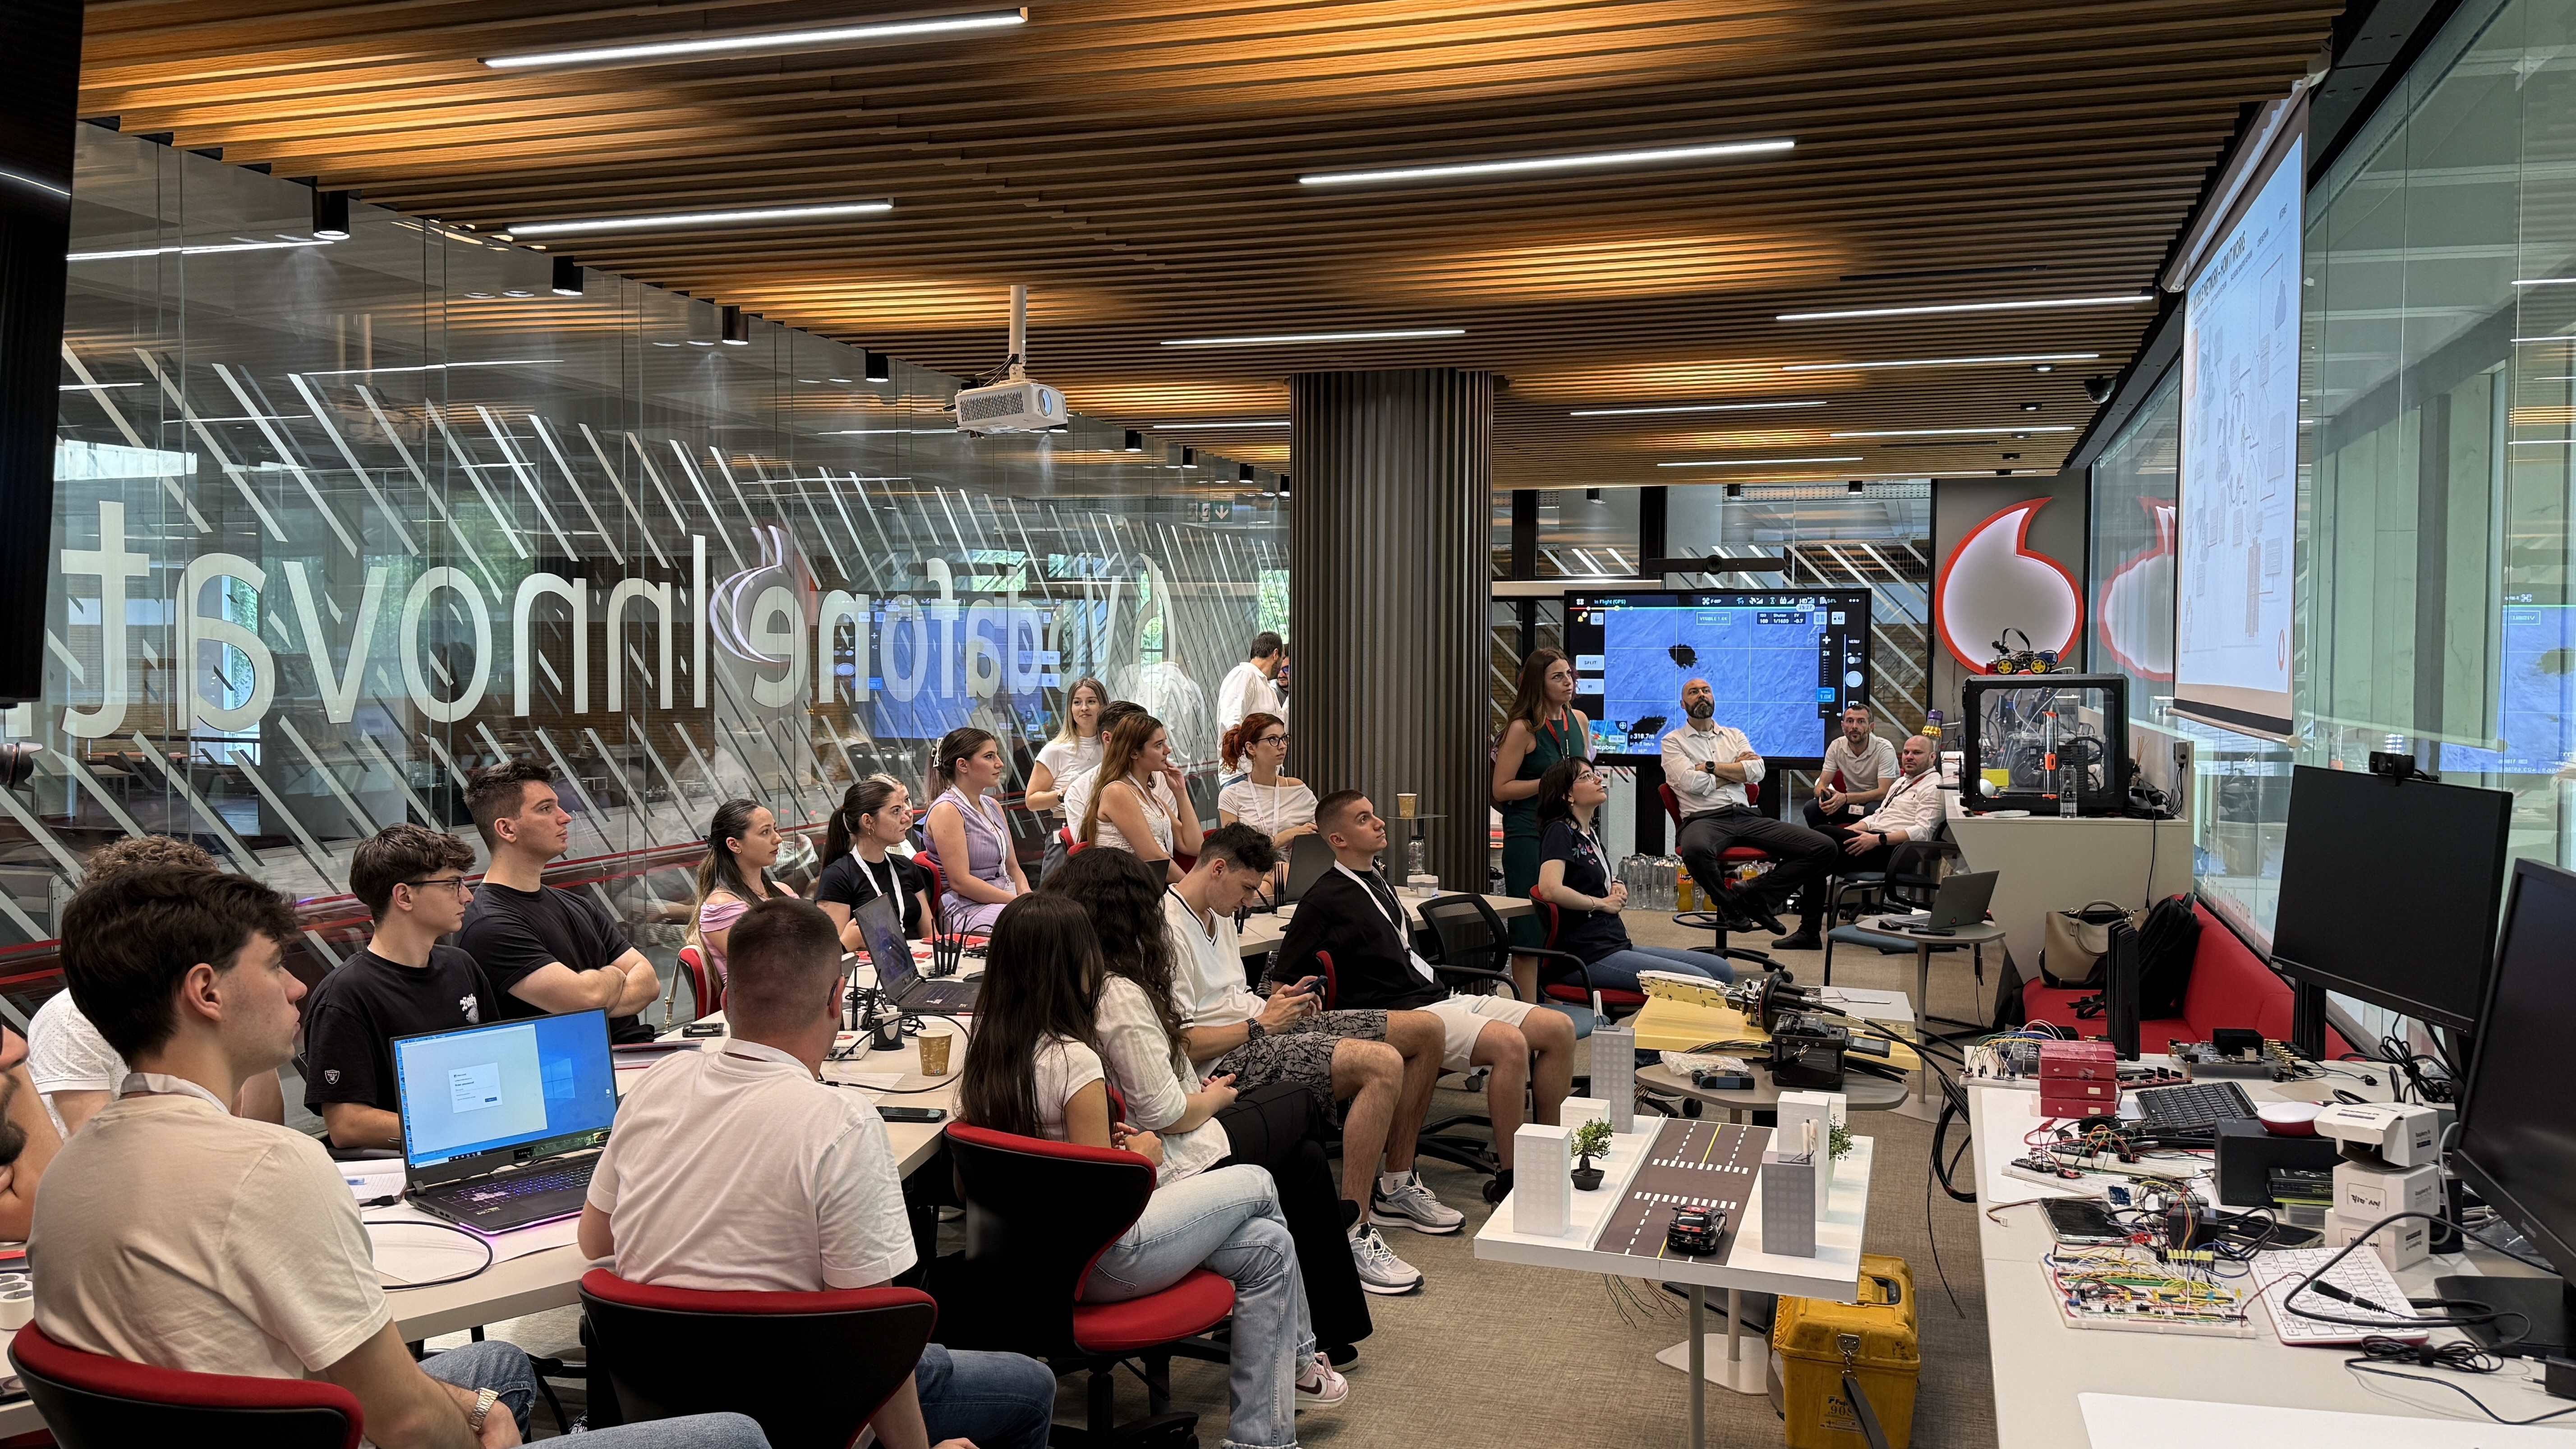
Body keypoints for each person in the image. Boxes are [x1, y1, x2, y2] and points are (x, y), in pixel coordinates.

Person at [37, 867, 765, 1449]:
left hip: (240, 1416)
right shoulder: (269, 1166)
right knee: (733, 1433)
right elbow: (408, 1421)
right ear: (206, 990)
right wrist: (475, 1425)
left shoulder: (71, 1168)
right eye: (274, 964)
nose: (297, 985)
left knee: (500, 1367)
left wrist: (474, 1406)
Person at [579, 898, 1053, 1449]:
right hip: (802, 1398)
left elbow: (596, 1241)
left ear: (727, 1001)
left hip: (669, 1404)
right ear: (836, 999)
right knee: (1031, 1387)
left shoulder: (657, 1085)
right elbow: (870, 1335)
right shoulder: (843, 1123)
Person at [957, 894, 1348, 1449]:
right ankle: (1303, 1363)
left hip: (1021, 1258)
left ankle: (1262, 1439)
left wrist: (1098, 1151)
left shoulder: (984, 1055)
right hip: (1100, 1261)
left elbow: (970, 1181)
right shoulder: (1074, 1062)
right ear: (1073, 966)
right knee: (1261, 1183)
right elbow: (1103, 1202)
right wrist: (1143, 1155)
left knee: (1269, 1246)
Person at [1046, 846, 1392, 1330]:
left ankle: (1331, 1327)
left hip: (1167, 1124)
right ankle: (1335, 1290)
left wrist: (1203, 1087)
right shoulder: (1119, 991)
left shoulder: (1076, 980)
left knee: (1306, 1157)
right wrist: (1213, 1099)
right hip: (1167, 1148)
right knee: (1298, 1106)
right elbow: (1166, 1112)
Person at [1162, 827, 1456, 1288]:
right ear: (1217, 869)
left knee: (1427, 1030)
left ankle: (1397, 1184)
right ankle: (1353, 1231)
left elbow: (1233, 999)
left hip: (1257, 1027)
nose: (1248, 902)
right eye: (1246, 889)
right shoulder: (1167, 930)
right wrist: (1262, 1023)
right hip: (1222, 1061)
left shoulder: (1217, 913)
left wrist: (1279, 1004)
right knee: (1381, 1064)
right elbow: (1179, 1044)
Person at [1273, 792, 1578, 1207]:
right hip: (1405, 1014)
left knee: (1559, 1028)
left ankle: (1549, 1154)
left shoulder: (1378, 878)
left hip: (1441, 997)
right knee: (1510, 1044)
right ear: (1337, 839)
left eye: (1374, 814)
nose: (1379, 822)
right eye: (1364, 819)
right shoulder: (1322, 898)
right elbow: (1283, 980)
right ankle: (1512, 1180)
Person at [29, 834, 283, 1136]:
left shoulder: (216, 990)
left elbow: (260, 1126)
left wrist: (260, 1026)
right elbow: (101, 1141)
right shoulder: (71, 1018)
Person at [303, 824, 500, 1151]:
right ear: (404, 896)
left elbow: (497, 1062)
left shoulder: (462, 966)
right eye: (452, 884)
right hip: (409, 1163)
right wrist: (460, 1130)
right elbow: (348, 1125)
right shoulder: (345, 995)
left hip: (483, 1143)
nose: (467, 896)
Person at [456, 759, 664, 1043]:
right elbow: (584, 1000)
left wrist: (596, 997)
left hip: (638, 1052)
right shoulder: (489, 925)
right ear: (506, 829)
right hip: (581, 1066)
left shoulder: (576, 904)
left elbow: (650, 984)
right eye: (546, 809)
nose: (565, 817)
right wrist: (616, 977)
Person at [1662, 678, 1840, 952]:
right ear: (1683, 704)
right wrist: (1735, 773)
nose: (1702, 695)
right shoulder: (1673, 742)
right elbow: (1691, 784)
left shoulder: (1734, 735)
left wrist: (1709, 767)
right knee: (1694, 850)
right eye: (1694, 692)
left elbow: (1757, 771)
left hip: (1747, 816)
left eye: (1706, 691)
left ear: (1714, 698)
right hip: (1703, 819)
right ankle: (1728, 904)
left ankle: (1757, 894)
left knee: (1824, 847)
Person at [1531, 758, 1733, 998]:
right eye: (1586, 777)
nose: (1598, 779)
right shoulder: (1559, 831)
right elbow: (1550, 888)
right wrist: (1601, 903)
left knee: (1721, 970)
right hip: (1587, 955)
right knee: (1703, 982)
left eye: (1595, 774)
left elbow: (1590, 876)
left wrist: (1615, 884)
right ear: (1568, 795)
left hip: (1614, 943)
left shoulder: (1588, 833)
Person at [1491, 649, 1588, 942]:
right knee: (1531, 930)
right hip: (1529, 833)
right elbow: (1501, 789)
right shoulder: (1524, 728)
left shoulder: (1579, 719)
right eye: (1557, 677)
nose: (1568, 682)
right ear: (1539, 684)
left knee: (1570, 927)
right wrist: (1548, 783)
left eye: (1569, 674)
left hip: (1569, 832)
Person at [921, 727, 1030, 934]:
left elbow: (1013, 867)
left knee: (1055, 916)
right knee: (1036, 924)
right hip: (965, 908)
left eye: (997, 755)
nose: (1000, 763)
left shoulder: (993, 805)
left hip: (1004, 900)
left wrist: (1027, 896)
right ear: (963, 765)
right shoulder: (947, 810)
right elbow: (961, 882)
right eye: (989, 757)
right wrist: (1017, 903)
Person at [689, 798, 798, 990]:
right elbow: (766, 970)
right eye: (765, 832)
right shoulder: (722, 905)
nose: (778, 839)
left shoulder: (784, 891)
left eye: (775, 829)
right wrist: (842, 946)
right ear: (734, 844)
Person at [1081, 711, 1203, 883]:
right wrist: (1191, 892)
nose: (1168, 750)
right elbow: (1154, 858)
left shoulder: (1152, 798)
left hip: (1147, 885)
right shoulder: (1117, 792)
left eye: (1165, 743)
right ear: (1134, 753)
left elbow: (1194, 846)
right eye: (1159, 745)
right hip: (1121, 888)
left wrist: (1181, 793)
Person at [816, 776, 935, 948]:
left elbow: (931, 935)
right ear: (868, 821)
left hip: (918, 959)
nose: (905, 818)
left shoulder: (907, 867)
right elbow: (832, 953)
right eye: (896, 811)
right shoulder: (837, 876)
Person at [1817, 734, 1946, 879]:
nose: (1909, 757)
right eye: (1906, 752)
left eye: (1917, 753)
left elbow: (1923, 832)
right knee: (1818, 848)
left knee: (1820, 841)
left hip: (1897, 851)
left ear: (1932, 757)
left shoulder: (1934, 786)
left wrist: (1879, 839)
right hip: (1875, 840)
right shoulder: (1901, 782)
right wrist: (1847, 831)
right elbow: (1878, 815)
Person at [1054, 699, 1148, 859]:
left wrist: (1180, 793)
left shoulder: (1161, 779)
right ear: (1108, 739)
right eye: (1134, 737)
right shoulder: (1079, 791)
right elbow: (1088, 855)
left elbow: (1173, 842)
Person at [1217, 713, 1317, 853]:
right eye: (1273, 739)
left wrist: (1305, 838)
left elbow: (1324, 830)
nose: (1283, 746)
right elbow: (1235, 851)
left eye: (1284, 738)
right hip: (1254, 867)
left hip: (1298, 865)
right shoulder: (1231, 796)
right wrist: (1288, 835)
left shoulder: (1297, 788)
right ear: (1251, 748)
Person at [1806, 704, 1900, 830]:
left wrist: (1845, 798)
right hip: (1850, 804)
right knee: (1811, 808)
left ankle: (1857, 842)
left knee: (1872, 810)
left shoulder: (1884, 749)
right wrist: (1823, 796)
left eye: (1861, 722)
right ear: (1843, 726)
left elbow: (1883, 792)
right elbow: (1822, 783)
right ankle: (1826, 841)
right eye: (1850, 721)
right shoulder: (1836, 746)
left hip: (1877, 804)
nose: (1855, 727)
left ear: (1871, 727)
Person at [1026, 676, 1108, 818]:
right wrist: (1065, 793)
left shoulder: (1113, 748)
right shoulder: (1055, 750)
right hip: (1066, 825)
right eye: (1077, 702)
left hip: (1107, 826)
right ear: (1070, 708)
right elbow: (1032, 802)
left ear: (1103, 706)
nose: (1084, 708)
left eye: (1091, 701)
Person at [1217, 633, 1289, 733]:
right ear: (1275, 654)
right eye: (1283, 658)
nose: (1281, 665)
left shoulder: (1266, 686)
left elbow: (1280, 725)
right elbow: (1231, 724)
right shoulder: (1244, 674)